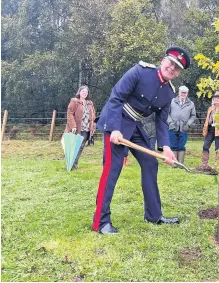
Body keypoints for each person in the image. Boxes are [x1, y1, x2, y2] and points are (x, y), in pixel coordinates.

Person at [92, 46, 191, 234]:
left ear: (178, 74)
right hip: (116, 120)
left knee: (150, 163)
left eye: (177, 68)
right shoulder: (140, 71)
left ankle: (154, 216)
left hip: (134, 125)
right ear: (163, 60)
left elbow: (161, 121)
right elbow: (116, 97)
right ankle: (100, 222)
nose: (172, 68)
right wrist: (114, 129)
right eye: (171, 63)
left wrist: (166, 147)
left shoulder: (169, 92)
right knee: (112, 168)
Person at [64, 85, 96, 169]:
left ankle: (74, 164)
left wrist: (93, 127)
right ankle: (70, 163)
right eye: (83, 91)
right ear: (79, 92)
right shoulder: (74, 101)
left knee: (81, 146)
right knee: (73, 146)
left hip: (86, 128)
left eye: (86, 92)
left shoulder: (90, 103)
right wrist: (73, 126)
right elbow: (70, 113)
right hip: (77, 128)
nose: (85, 93)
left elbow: (93, 116)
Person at [196, 92, 219, 172]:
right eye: (215, 98)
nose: (216, 99)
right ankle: (204, 164)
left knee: (218, 148)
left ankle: (217, 165)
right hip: (210, 129)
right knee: (205, 145)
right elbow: (207, 120)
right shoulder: (210, 108)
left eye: (218, 98)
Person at [167, 85, 196, 164]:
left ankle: (180, 163)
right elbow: (167, 113)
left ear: (187, 93)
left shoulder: (191, 104)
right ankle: (173, 163)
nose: (183, 94)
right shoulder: (172, 101)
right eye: (182, 92)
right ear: (179, 93)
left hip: (184, 128)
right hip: (172, 127)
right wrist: (170, 123)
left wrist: (188, 124)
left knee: (181, 146)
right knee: (173, 145)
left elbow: (193, 116)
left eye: (185, 93)